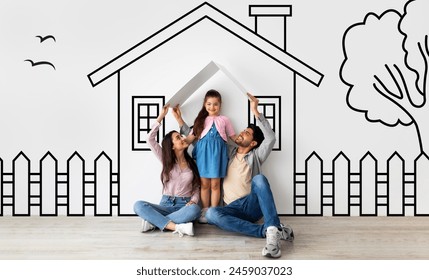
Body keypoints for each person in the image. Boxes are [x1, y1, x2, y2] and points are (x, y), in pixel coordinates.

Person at [175, 93, 294, 257]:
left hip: (251, 205)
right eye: (243, 130)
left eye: (247, 133)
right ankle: (267, 231)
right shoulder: (227, 152)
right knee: (211, 213)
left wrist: (256, 111)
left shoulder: (256, 156)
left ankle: (272, 230)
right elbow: (199, 138)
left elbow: (271, 138)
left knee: (259, 179)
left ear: (252, 143)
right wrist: (180, 120)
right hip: (231, 209)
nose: (241, 133)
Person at [133, 104, 201, 237]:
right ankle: (176, 226)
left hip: (184, 205)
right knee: (138, 205)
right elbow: (149, 139)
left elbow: (197, 187)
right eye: (178, 138)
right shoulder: (165, 159)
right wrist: (161, 117)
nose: (183, 138)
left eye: (181, 136)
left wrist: (194, 200)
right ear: (172, 147)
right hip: (165, 203)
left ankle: (154, 222)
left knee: (195, 210)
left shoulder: (193, 162)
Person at [177, 89, 236, 223]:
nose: (212, 107)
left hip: (218, 155)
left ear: (220, 105)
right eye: (209, 104)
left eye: (215, 104)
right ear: (204, 104)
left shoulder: (225, 120)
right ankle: (205, 210)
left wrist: (245, 142)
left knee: (215, 184)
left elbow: (233, 137)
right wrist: (178, 141)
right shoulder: (200, 120)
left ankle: (213, 211)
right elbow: (190, 138)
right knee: (204, 184)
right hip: (203, 155)